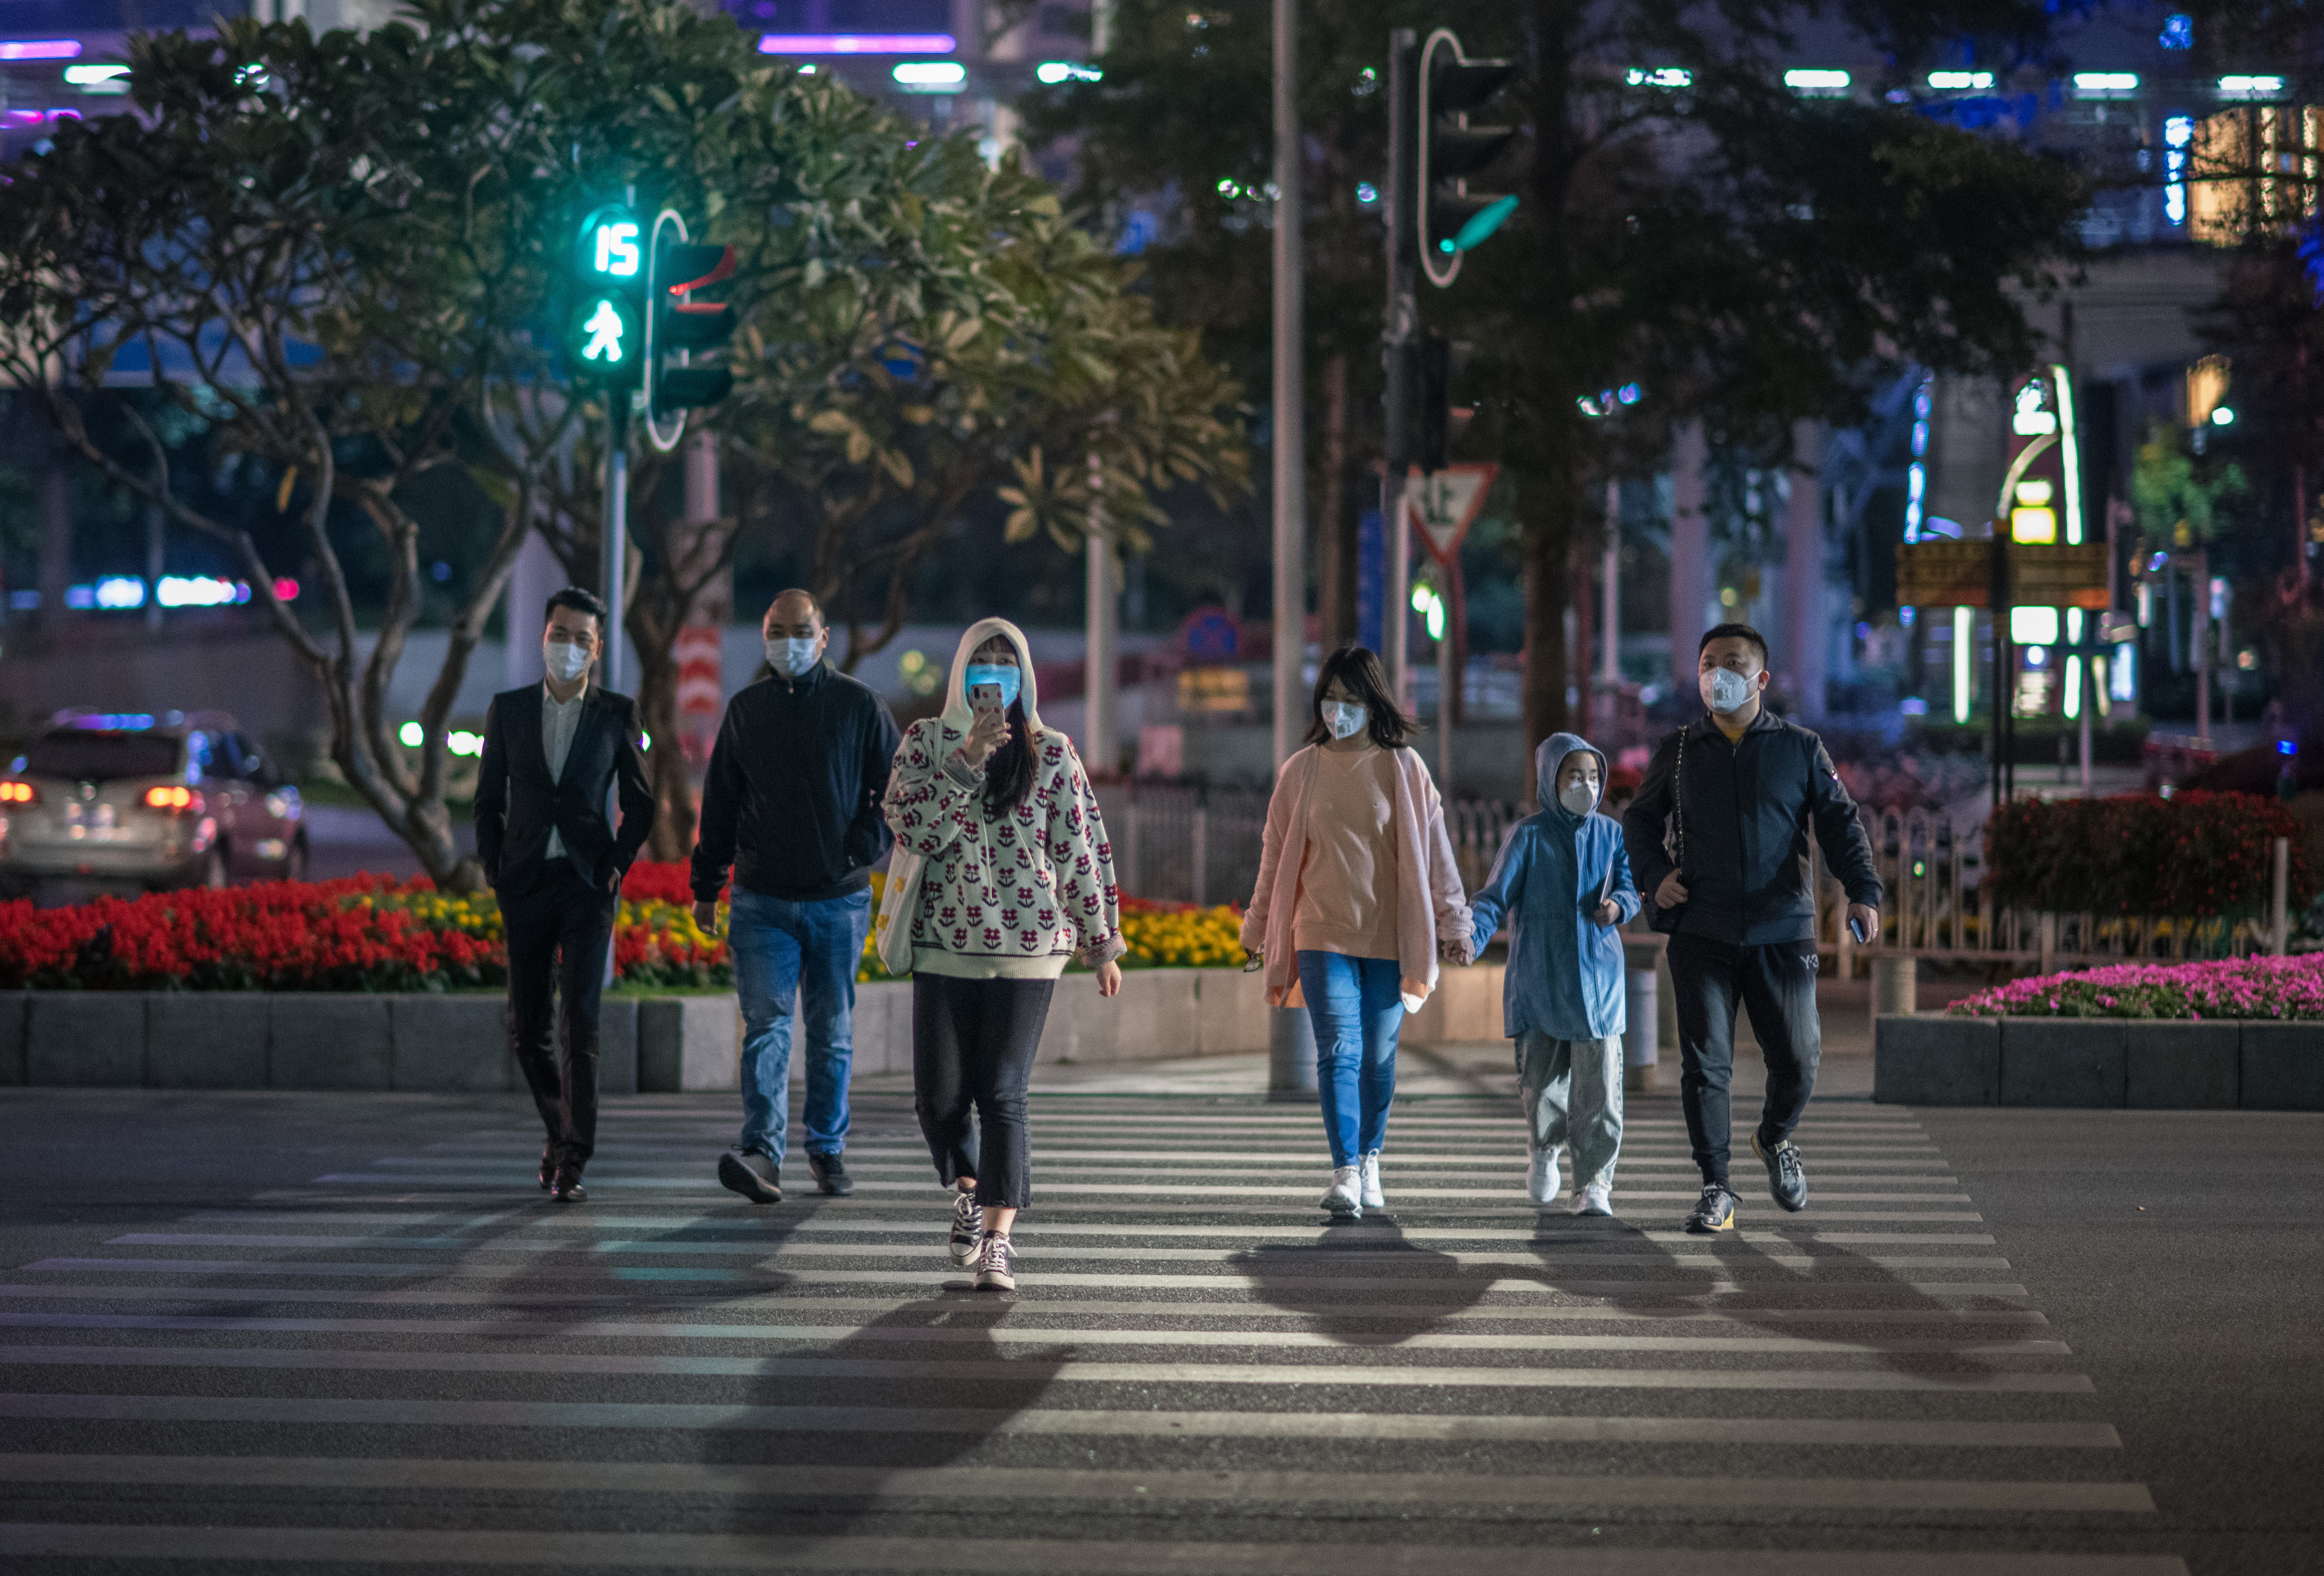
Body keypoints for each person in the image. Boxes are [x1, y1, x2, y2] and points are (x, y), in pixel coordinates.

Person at [881, 618, 1125, 1291]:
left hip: (1029, 948)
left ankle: (996, 1238)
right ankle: (967, 1189)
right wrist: (964, 763)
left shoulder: (1052, 752)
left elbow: (1082, 849)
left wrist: (1101, 942)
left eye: (1006, 661)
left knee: (1003, 1092)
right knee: (939, 1100)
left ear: (1024, 676)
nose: (994, 673)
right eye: (981, 661)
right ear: (961, 672)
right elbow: (909, 826)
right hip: (942, 945)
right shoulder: (926, 743)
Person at [1620, 623, 1882, 1235]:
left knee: (1798, 1059)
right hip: (1700, 931)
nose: (1717, 675)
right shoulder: (1679, 750)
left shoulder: (1798, 748)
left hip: (1780, 929)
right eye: (1708, 663)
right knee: (1705, 1065)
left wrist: (1863, 891)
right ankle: (1715, 1186)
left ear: (1761, 678)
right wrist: (1654, 873)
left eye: (1731, 663)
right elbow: (1638, 822)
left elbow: (1840, 826)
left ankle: (1774, 1136)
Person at [1240, 646, 1473, 1221]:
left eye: (1350, 699)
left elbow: (1438, 857)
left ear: (1373, 704)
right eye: (1330, 698)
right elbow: (1273, 858)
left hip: (1389, 938)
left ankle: (1370, 1155)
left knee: (1377, 1057)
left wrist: (1454, 924)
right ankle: (1344, 1169)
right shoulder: (1300, 771)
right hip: (1320, 932)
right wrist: (1256, 928)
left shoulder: (1403, 768)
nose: (1338, 710)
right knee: (1338, 1052)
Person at [691, 589, 901, 1205]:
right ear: (763, 635)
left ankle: (827, 1149)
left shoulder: (859, 706)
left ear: (824, 635)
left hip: (838, 899)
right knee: (766, 1025)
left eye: (799, 630)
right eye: (776, 630)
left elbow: (895, 789)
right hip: (761, 900)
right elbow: (721, 804)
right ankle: (763, 1151)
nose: (788, 641)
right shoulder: (746, 710)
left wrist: (862, 847)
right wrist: (708, 885)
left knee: (831, 1029)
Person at [474, 587, 656, 1204]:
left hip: (587, 884)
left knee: (580, 1021)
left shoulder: (615, 714)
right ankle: (559, 1130)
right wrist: (494, 865)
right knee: (528, 1030)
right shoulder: (509, 709)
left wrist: (616, 864)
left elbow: (641, 802)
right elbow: (485, 798)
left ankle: (574, 1158)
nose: (569, 646)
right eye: (561, 634)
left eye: (582, 639)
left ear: (597, 649)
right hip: (523, 883)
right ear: (543, 635)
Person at [1465, 733, 1640, 1216]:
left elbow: (1630, 885)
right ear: (1550, 779)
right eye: (1573, 775)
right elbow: (1493, 900)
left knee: (1600, 1089)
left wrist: (1619, 906)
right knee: (1540, 1082)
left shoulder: (1610, 834)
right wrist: (1471, 939)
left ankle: (1594, 1183)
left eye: (1592, 775)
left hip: (1599, 983)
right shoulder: (1528, 836)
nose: (1585, 784)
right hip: (1541, 977)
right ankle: (1544, 1148)